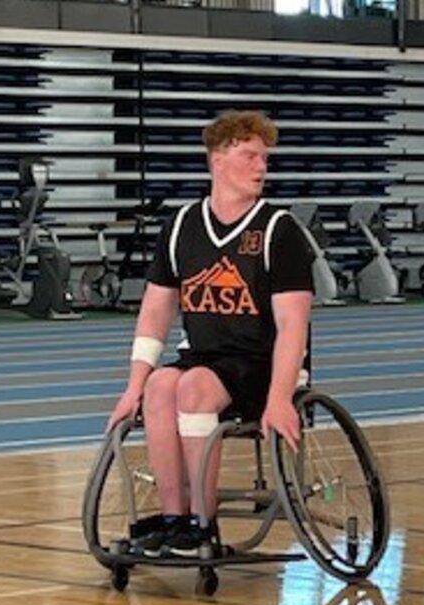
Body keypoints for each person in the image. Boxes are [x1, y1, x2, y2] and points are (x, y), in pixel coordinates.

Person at [106, 110, 314, 557]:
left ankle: (204, 522)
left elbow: (294, 326)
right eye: (250, 156)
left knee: (194, 387)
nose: (261, 167)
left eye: (265, 158)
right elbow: (156, 310)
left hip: (263, 362)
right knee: (161, 385)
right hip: (206, 356)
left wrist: (279, 399)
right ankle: (173, 518)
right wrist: (133, 386)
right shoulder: (182, 226)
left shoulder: (279, 230)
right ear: (218, 160)